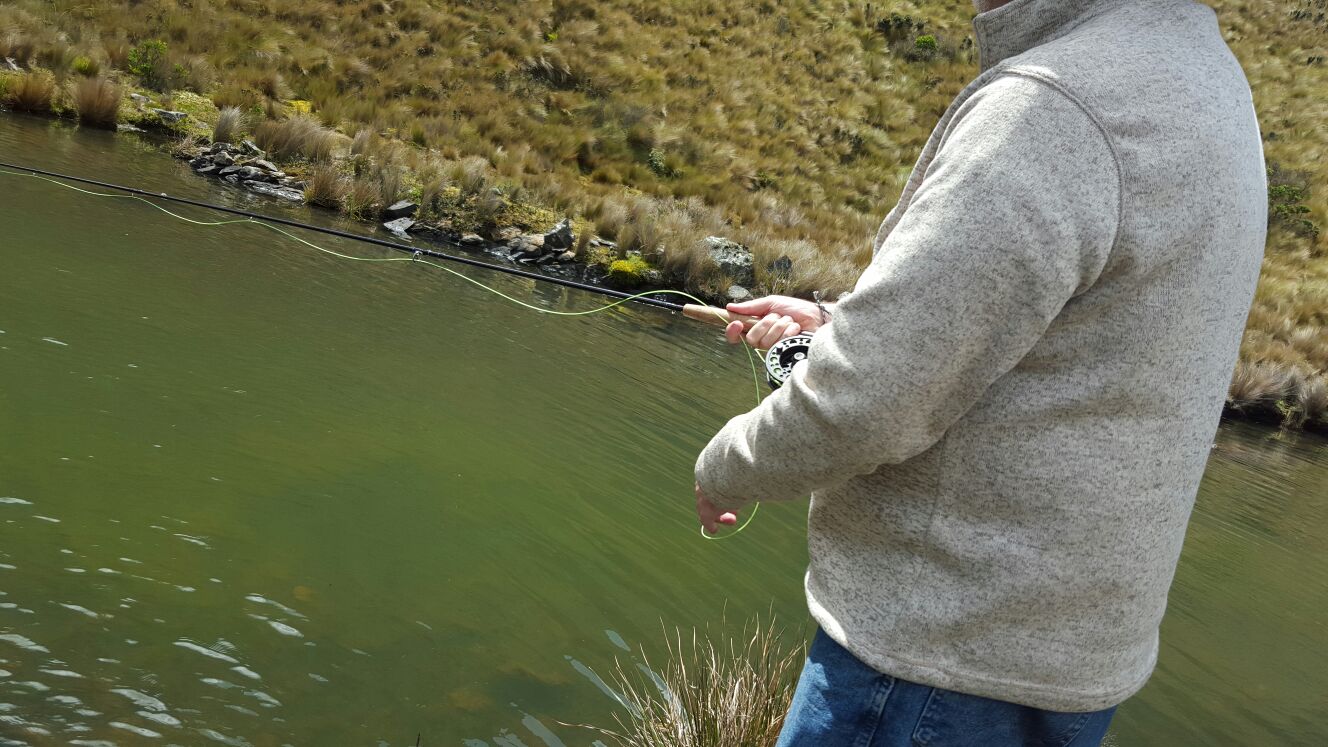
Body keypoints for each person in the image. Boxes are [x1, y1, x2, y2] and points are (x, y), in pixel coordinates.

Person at [693, 0, 1267, 744]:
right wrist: (845, 330)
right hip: (1064, 667)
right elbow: (1078, 342)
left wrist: (724, 467)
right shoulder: (1205, 74)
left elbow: (864, 406)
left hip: (931, 665)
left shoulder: (1054, 109)